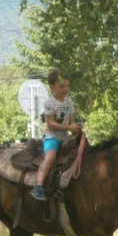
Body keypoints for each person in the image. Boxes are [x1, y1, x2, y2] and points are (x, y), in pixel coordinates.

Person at [31, 70, 83, 200]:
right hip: (52, 137)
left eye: (67, 86)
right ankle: (38, 186)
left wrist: (75, 128)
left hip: (65, 138)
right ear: (52, 87)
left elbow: (71, 122)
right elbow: (50, 124)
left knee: (77, 157)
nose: (65, 89)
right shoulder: (49, 103)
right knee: (50, 158)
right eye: (61, 87)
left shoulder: (69, 102)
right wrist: (69, 127)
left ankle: (64, 187)